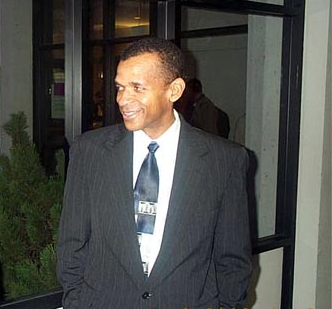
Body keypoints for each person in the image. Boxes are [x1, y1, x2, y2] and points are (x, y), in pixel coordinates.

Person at [57, 37, 252, 309]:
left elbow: (232, 258)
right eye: (120, 87)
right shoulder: (89, 151)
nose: (123, 99)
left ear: (174, 90)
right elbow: (71, 244)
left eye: (137, 88)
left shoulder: (224, 160)